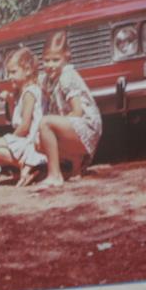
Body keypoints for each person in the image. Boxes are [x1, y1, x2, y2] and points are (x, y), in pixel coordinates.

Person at [35, 30, 103, 187]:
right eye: (46, 61)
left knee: (45, 123)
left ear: (66, 57)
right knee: (39, 142)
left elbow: (77, 111)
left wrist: (56, 126)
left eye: (55, 60)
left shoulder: (67, 76)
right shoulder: (48, 79)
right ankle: (75, 164)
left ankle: (55, 175)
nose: (50, 65)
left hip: (87, 126)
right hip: (75, 125)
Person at [0, 47, 46, 186]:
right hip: (27, 140)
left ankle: (30, 165)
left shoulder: (30, 93)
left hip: (32, 142)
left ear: (28, 71)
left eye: (13, 72)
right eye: (8, 73)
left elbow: (24, 126)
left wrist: (10, 141)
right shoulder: (23, 93)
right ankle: (29, 167)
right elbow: (16, 120)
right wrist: (11, 101)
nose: (9, 77)